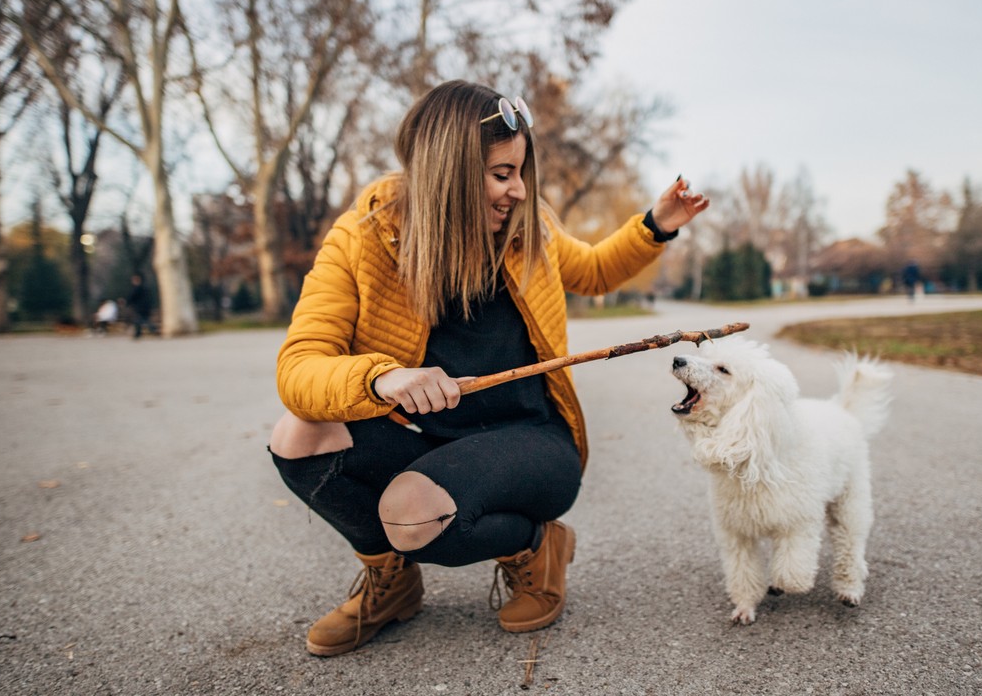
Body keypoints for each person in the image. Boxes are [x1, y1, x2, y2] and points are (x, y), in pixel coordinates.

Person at [268, 80, 710, 657]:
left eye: (520, 173)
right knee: (298, 435)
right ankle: (392, 580)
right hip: (432, 443)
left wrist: (655, 224)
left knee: (411, 513)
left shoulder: (531, 232)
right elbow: (300, 366)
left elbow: (595, 271)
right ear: (447, 170)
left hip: (534, 441)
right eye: (502, 174)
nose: (519, 192)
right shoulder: (363, 239)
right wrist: (380, 377)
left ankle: (535, 546)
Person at [127, 274, 153, 338]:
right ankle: (139, 333)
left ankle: (140, 333)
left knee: (139, 320)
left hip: (140, 307)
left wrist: (128, 303)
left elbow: (132, 297)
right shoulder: (144, 288)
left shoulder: (137, 288)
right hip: (145, 307)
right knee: (143, 320)